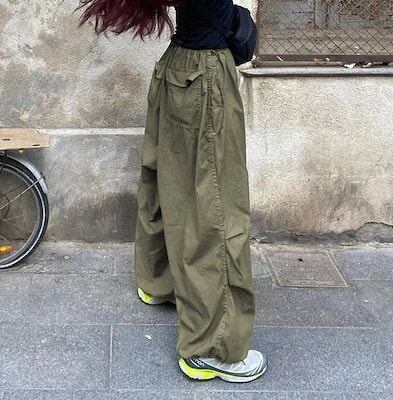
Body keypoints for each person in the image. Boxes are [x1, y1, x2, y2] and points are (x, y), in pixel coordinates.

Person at [79, 0, 267, 383]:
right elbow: (222, 19)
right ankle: (211, 348)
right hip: (205, 73)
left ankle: (160, 281)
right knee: (216, 208)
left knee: (168, 181)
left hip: (179, 64)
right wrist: (240, 24)